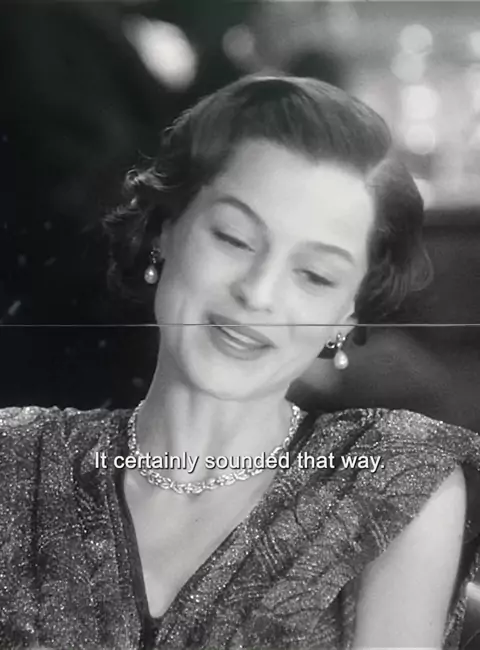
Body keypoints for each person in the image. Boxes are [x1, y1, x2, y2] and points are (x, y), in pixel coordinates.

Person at [1, 75, 480, 650]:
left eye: (314, 275)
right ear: (164, 231)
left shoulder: (392, 483)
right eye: (233, 238)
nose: (258, 292)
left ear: (344, 317)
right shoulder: (16, 463)